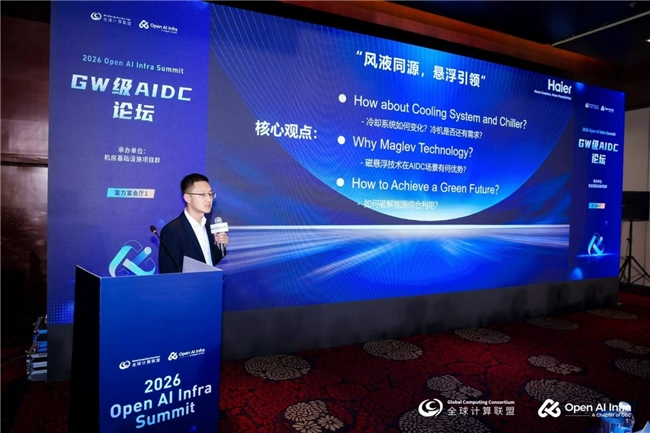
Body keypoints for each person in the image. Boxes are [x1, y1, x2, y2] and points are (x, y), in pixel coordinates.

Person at [158, 173, 229, 273]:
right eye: (202, 194)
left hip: (209, 282)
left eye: (210, 194)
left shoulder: (208, 226)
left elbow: (207, 262)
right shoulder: (172, 230)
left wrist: (220, 246)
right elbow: (168, 272)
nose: (209, 199)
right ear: (187, 197)